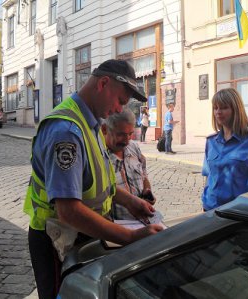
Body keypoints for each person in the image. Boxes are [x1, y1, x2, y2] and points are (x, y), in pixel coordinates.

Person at [23, 59, 163, 299]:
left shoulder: (91, 124)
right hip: (56, 242)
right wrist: (130, 237)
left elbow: (95, 182)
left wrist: (129, 201)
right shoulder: (67, 131)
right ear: (104, 84)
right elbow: (68, 211)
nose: (120, 109)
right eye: (120, 100)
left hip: (76, 237)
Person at [201, 88, 248, 211]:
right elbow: (208, 177)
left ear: (236, 110)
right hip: (210, 210)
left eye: (224, 107)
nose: (218, 112)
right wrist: (204, 204)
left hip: (240, 212)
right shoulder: (211, 141)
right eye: (215, 108)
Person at [102, 108, 156, 220]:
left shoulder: (134, 147)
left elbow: (144, 176)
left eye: (130, 134)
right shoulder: (98, 156)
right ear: (104, 130)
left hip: (142, 223)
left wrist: (147, 190)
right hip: (116, 230)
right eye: (121, 134)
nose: (127, 141)